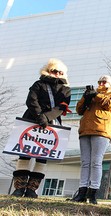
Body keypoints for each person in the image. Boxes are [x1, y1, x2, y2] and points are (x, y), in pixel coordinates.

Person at [11, 58, 71, 198]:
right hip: (31, 120)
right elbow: (31, 100)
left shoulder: (66, 90)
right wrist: (39, 116)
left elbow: (62, 107)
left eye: (60, 72)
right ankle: (19, 187)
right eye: (54, 71)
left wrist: (47, 118)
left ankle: (32, 189)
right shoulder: (38, 84)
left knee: (42, 157)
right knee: (24, 154)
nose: (57, 74)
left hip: (51, 124)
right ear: (49, 70)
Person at [72, 75, 111, 204]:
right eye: (99, 81)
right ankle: (82, 192)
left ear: (110, 84)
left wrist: (96, 96)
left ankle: (93, 192)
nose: (101, 83)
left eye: (104, 81)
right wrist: (85, 97)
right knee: (85, 162)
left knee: (96, 162)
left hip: (101, 131)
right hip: (85, 130)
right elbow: (79, 110)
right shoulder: (93, 94)